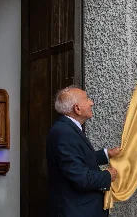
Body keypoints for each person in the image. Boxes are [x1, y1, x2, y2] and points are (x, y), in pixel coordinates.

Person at [46, 86, 120, 217]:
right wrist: (107, 176)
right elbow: (80, 178)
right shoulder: (65, 133)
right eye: (87, 99)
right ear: (77, 109)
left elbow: (76, 162)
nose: (92, 102)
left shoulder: (66, 128)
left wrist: (106, 155)